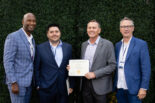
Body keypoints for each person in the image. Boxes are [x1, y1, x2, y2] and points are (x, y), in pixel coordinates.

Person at [114, 17, 151, 103]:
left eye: (129, 26)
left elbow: (146, 68)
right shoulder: (117, 45)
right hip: (120, 88)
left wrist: (143, 88)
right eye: (123, 26)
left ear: (133, 28)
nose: (126, 29)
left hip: (135, 89)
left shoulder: (141, 44)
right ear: (120, 29)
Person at [34, 24, 74, 103]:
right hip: (45, 88)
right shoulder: (40, 48)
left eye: (56, 31)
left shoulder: (68, 47)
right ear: (47, 34)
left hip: (63, 88)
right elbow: (36, 68)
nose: (54, 34)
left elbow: (71, 66)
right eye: (51, 32)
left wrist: (71, 85)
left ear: (60, 33)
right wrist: (38, 84)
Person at [3, 13, 36, 103]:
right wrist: (13, 82)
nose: (32, 23)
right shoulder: (13, 37)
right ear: (23, 22)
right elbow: (8, 61)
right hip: (17, 83)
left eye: (33, 21)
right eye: (29, 20)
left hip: (29, 83)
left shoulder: (32, 39)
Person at [81, 20, 116, 103]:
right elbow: (82, 64)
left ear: (99, 30)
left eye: (94, 27)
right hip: (85, 85)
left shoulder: (108, 44)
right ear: (87, 30)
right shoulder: (84, 45)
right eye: (89, 27)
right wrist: (73, 69)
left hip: (100, 86)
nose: (91, 29)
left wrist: (95, 74)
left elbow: (112, 65)